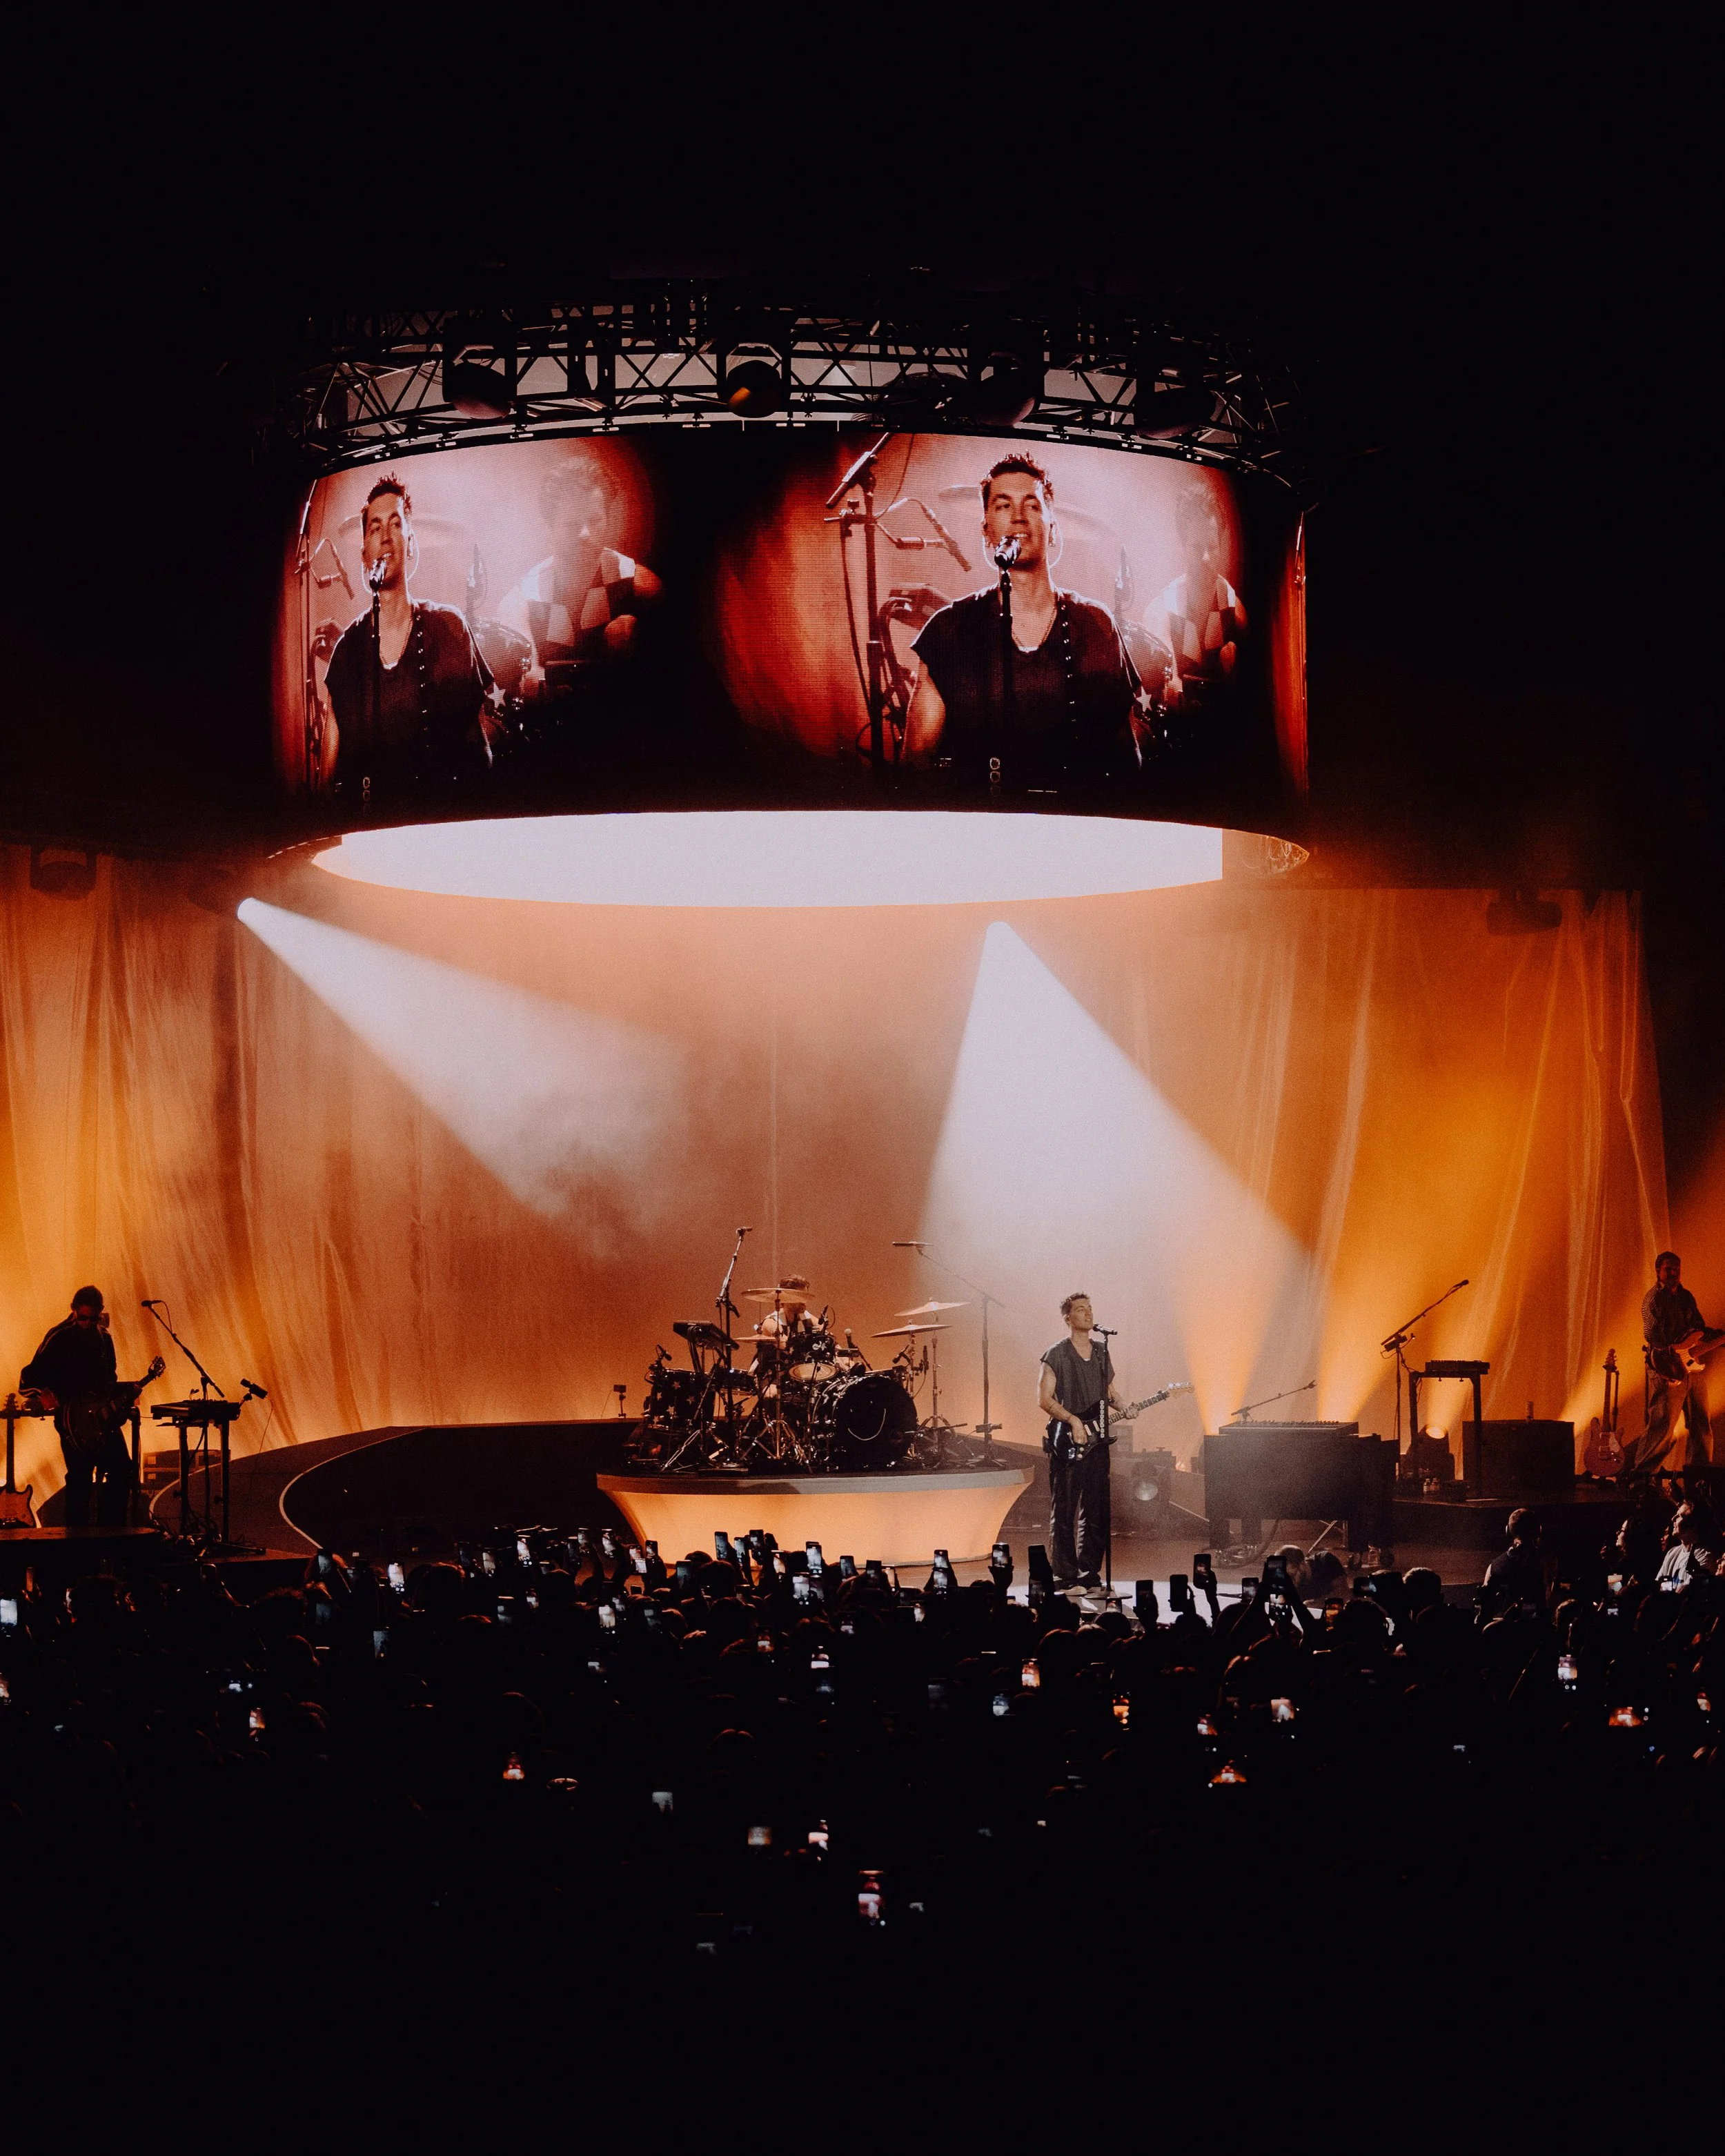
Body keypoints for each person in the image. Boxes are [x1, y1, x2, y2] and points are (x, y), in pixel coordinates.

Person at [907, 455, 1141, 792]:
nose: (1018, 517)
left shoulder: (1096, 623)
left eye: (1032, 506)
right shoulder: (948, 630)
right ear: (986, 530)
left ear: (1052, 529)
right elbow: (918, 759)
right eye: (1003, 506)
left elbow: (1124, 751)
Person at [321, 473, 495, 804]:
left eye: (396, 525)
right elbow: (329, 772)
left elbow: (476, 743)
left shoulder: (449, 627)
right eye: (375, 528)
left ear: (411, 544)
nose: (386, 538)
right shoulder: (347, 652)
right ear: (364, 554)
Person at [496, 453, 661, 693]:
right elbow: (519, 682)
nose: (585, 534)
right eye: (572, 524)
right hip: (552, 721)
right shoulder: (522, 599)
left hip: (632, 718)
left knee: (623, 629)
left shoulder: (642, 586)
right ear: (549, 527)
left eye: (594, 521)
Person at [1037, 1292, 1135, 1592]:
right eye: (1081, 1310)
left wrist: (1125, 1407)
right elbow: (1043, 1399)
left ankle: (1089, 1571)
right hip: (1068, 1438)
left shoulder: (1102, 1351)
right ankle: (1065, 1575)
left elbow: (1109, 1390)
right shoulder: (1057, 1353)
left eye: (1090, 1308)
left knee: (1097, 1509)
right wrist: (1073, 1420)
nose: (1088, 1314)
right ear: (1068, 1318)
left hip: (1098, 1441)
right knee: (1065, 1507)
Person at [19, 1286, 128, 1529]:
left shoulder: (104, 1337)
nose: (88, 1323)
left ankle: (112, 1539)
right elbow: (26, 1380)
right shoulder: (59, 1337)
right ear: (74, 1310)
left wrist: (121, 1397)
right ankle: (77, 1550)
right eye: (83, 1317)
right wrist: (42, 1394)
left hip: (101, 1419)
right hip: (73, 1424)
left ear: (100, 1312)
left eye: (94, 1318)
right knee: (80, 1481)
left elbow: (109, 1379)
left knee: (122, 1472)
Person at [1156, 484, 1247, 709]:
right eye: (1197, 548)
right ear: (1182, 548)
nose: (1206, 557)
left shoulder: (1233, 606)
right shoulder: (1162, 611)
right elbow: (1164, 691)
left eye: (1212, 546)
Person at [1642, 1251, 1721, 1468]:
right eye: (1669, 1267)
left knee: (1701, 1426)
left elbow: (1698, 1328)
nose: (1674, 1271)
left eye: (1677, 1267)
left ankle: (1700, 1479)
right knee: (1662, 1427)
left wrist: (1716, 1337)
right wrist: (1672, 1361)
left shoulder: (1687, 1297)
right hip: (1667, 1368)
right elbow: (1653, 1336)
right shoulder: (1654, 1298)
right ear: (1658, 1270)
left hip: (1692, 1369)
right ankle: (1642, 1480)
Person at [1481, 1507, 1546, 1616]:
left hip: (1502, 1627)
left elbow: (1486, 1602)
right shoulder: (1544, 1562)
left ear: (1508, 1531)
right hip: (1537, 1628)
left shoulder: (1495, 1565)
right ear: (1538, 1530)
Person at [1655, 1499, 1720, 1592]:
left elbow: (1686, 1593)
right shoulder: (1672, 1553)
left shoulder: (1706, 1557)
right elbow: (1659, 1588)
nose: (1673, 1518)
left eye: (1680, 1516)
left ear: (1694, 1525)